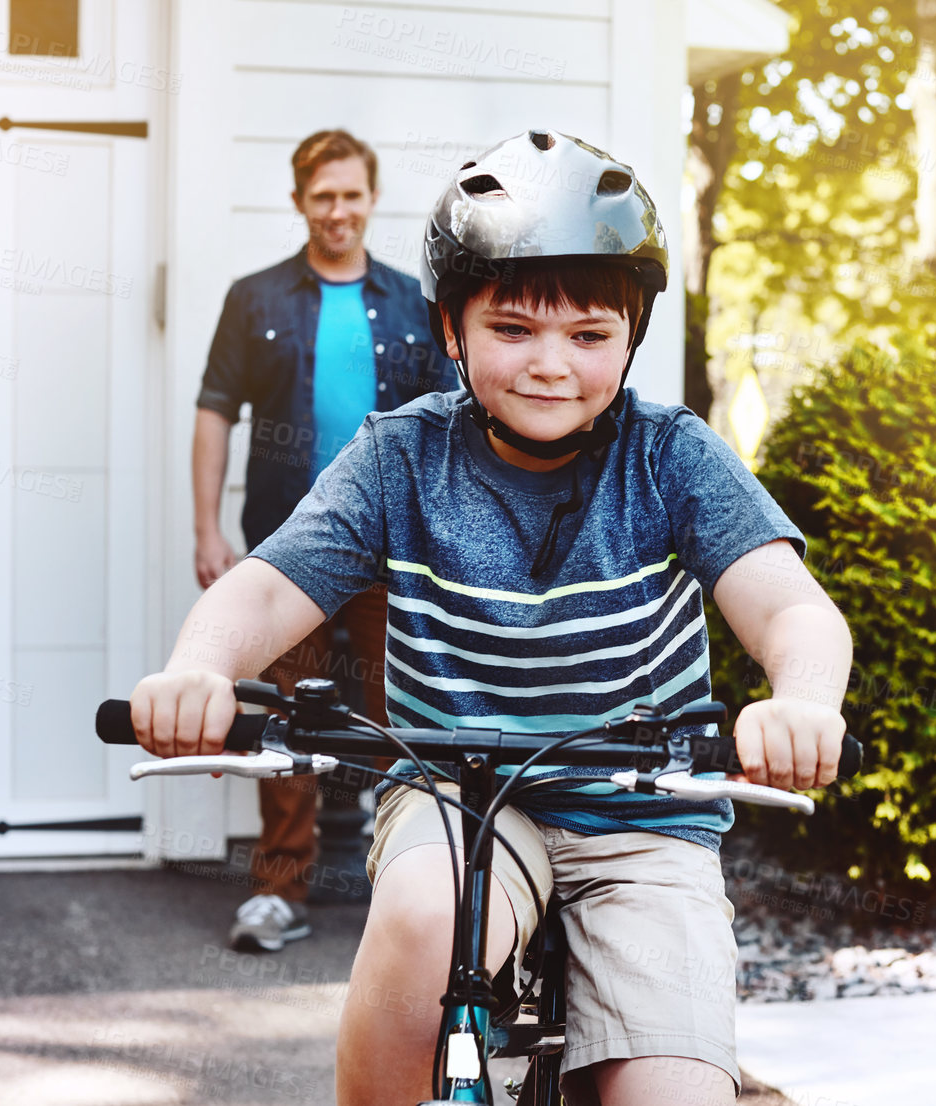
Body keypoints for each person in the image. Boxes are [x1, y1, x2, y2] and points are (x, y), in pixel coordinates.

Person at [130, 128, 852, 1105]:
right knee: (428, 918)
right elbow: (265, 587)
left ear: (631, 337)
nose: (552, 363)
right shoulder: (401, 455)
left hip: (642, 816)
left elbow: (791, 606)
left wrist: (802, 698)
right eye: (514, 327)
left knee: (674, 1090)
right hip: (459, 792)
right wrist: (199, 666)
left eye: (590, 335)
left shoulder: (672, 455)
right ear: (450, 327)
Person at [192, 129, 454, 952]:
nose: (338, 211)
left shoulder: (416, 302)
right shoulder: (254, 298)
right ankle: (279, 892)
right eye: (323, 195)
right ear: (300, 200)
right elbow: (213, 411)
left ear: (371, 199)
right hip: (285, 553)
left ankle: (406, 890)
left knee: (398, 716)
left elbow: (451, 427)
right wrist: (205, 527)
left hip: (393, 552)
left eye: (351, 195)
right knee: (284, 725)